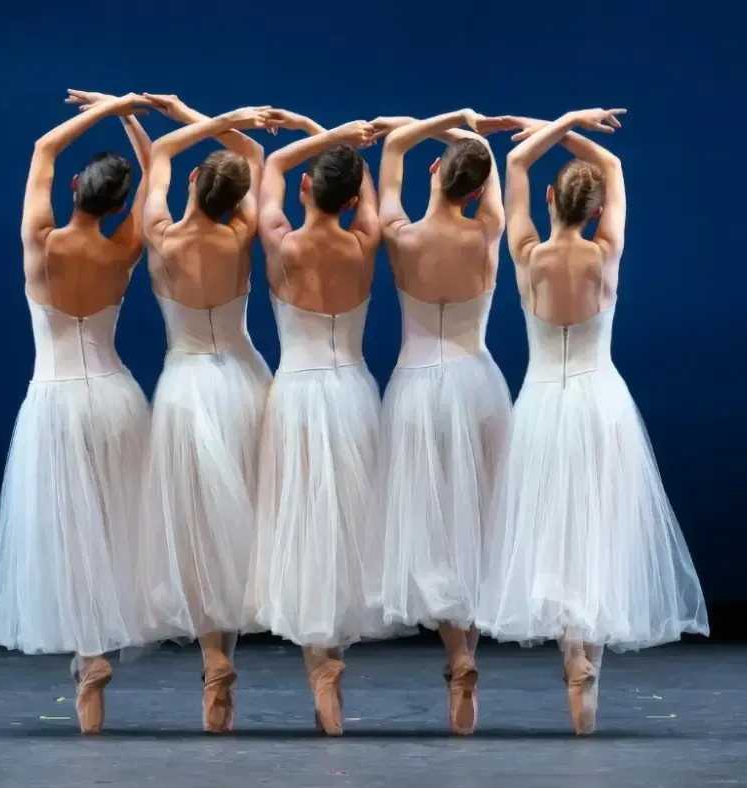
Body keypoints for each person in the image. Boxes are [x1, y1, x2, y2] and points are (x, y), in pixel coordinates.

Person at [476, 109, 709, 735]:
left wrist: (549, 125)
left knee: (553, 530)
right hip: (600, 402)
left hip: (545, 405)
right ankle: (589, 678)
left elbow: (518, 162)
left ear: (550, 199)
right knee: (596, 531)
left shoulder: (526, 254)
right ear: (598, 208)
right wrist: (571, 124)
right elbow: (612, 163)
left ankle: (570, 655)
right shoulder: (607, 252)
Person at [0, 91, 153, 734]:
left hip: (56, 399)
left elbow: (43, 149)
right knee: (112, 527)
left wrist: (102, 111)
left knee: (72, 535)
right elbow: (157, 166)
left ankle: (90, 655)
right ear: (117, 204)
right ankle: (99, 652)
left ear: (77, 188)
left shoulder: (41, 242)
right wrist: (132, 116)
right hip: (113, 398)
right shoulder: (124, 249)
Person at [124, 98, 276, 735]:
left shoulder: (160, 237)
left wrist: (134, 117)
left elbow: (157, 164)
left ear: (187, 183)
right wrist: (205, 116)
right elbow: (255, 154)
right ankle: (299, 657)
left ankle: (215, 659)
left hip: (187, 388)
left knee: (199, 532)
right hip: (244, 382)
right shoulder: (244, 233)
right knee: (250, 519)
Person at [368, 110, 516, 735]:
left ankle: (457, 655)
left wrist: (435, 125)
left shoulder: (399, 235)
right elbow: (482, 161)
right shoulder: (488, 229)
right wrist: (466, 134)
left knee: (432, 525)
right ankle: (470, 654)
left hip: (419, 390)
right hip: (477, 384)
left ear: (434, 174)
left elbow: (394, 149)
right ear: (479, 191)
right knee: (475, 522)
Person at [243, 117, 384, 736]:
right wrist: (356, 154)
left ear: (306, 187)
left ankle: (320, 663)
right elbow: (367, 202)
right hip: (352, 392)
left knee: (303, 522)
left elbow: (268, 167)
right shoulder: (364, 242)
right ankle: (335, 651)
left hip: (298, 396)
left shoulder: (282, 242)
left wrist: (321, 134)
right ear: (354, 201)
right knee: (345, 523)